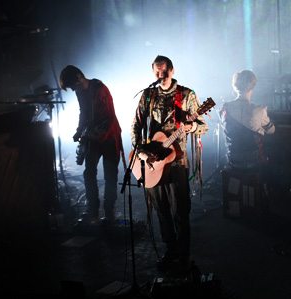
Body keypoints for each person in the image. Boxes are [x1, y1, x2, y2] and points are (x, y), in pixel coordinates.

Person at [130, 55, 208, 271]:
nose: (160, 75)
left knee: (180, 212)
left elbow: (202, 125)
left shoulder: (186, 94)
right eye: (156, 72)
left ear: (172, 70)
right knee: (161, 211)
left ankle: (183, 254)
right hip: (153, 162)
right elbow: (136, 125)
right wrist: (141, 153)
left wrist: (191, 127)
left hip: (176, 162)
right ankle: (170, 249)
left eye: (164, 71)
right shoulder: (148, 95)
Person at [59, 65, 125, 222]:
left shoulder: (100, 89)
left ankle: (109, 211)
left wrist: (97, 136)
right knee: (89, 173)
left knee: (110, 175)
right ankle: (93, 209)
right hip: (92, 138)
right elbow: (84, 112)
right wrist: (79, 130)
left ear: (79, 77)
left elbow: (109, 117)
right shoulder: (80, 91)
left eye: (75, 86)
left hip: (110, 137)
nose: (75, 90)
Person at [221, 70, 275, 171]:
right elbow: (271, 130)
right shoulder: (260, 110)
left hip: (232, 162)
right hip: (254, 163)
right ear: (253, 87)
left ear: (235, 87)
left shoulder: (225, 108)